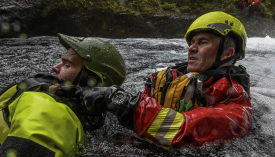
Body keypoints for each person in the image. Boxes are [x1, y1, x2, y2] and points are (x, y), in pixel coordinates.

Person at [73, 11, 253, 150]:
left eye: (202, 42)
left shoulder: (236, 108)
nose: (191, 48)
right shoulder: (169, 80)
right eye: (192, 43)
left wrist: (120, 102)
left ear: (226, 53)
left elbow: (181, 132)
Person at [0, 33, 126, 156]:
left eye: (67, 65)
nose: (54, 67)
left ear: (90, 81)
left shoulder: (47, 110)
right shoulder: (104, 119)